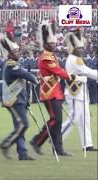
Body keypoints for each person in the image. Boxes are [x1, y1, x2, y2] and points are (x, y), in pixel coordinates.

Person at [30, 22, 76, 156]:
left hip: (55, 92)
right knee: (54, 119)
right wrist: (70, 76)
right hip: (49, 92)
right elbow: (56, 70)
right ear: (45, 44)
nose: (53, 45)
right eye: (51, 43)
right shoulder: (45, 57)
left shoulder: (51, 55)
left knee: (58, 121)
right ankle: (37, 141)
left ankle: (58, 149)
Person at [0, 33, 38, 160]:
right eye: (15, 51)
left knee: (20, 127)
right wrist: (35, 79)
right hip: (14, 101)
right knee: (23, 125)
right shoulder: (11, 65)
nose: (18, 53)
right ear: (10, 54)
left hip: (20, 100)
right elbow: (26, 75)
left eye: (18, 51)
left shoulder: (15, 63)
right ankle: (5, 144)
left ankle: (22, 153)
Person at [61, 29, 98, 151]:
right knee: (74, 118)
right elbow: (86, 71)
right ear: (74, 48)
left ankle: (87, 144)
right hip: (74, 92)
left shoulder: (75, 57)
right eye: (80, 48)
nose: (82, 50)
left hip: (81, 91)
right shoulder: (74, 59)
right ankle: (57, 138)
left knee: (85, 118)